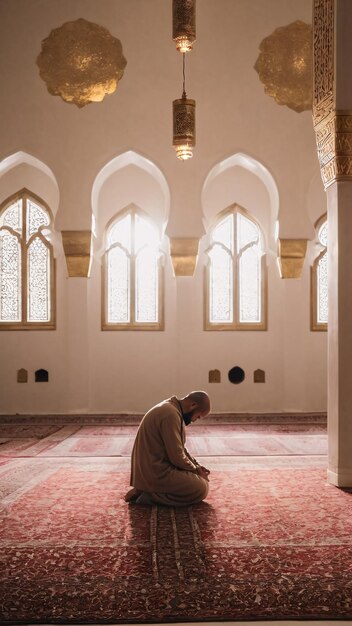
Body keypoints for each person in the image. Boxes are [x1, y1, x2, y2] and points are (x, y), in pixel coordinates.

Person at [124, 391, 211, 506]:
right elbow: (177, 457)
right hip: (156, 472)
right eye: (198, 416)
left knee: (199, 480)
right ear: (193, 405)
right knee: (202, 488)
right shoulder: (171, 414)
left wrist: (197, 466)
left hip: (155, 468)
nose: (195, 420)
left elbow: (181, 449)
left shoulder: (173, 409)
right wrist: (196, 471)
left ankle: (146, 489)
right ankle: (150, 496)